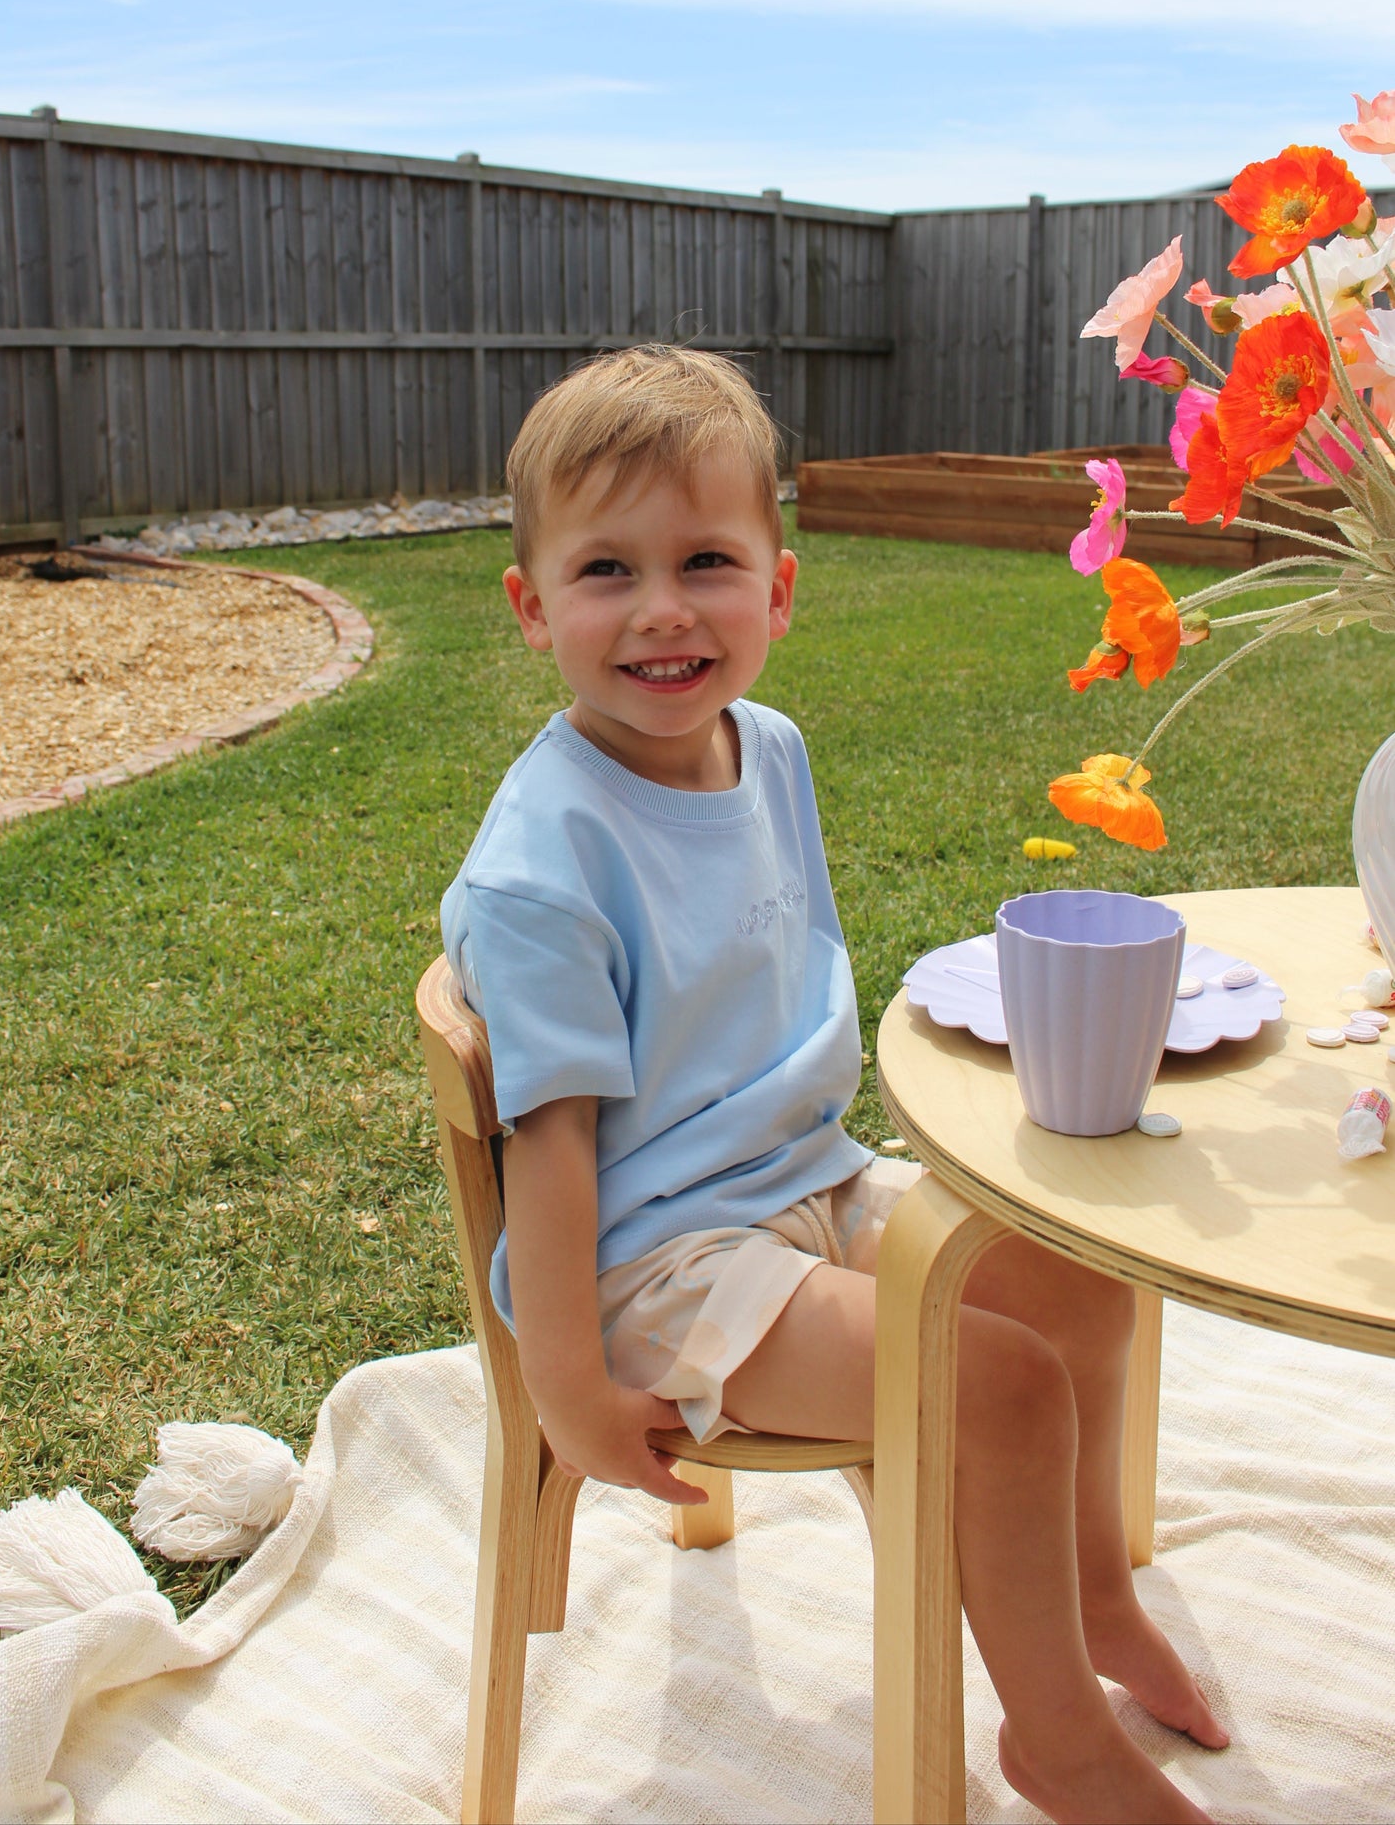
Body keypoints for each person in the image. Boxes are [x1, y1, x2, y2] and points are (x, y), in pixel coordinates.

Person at [440, 345, 1226, 1825]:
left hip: (805, 1178)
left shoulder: (767, 749)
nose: (663, 608)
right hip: (647, 1259)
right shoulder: (544, 873)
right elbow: (546, 1156)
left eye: (706, 562)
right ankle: (1054, 1737)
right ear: (532, 605)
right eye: (607, 569)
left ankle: (1094, 1604)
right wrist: (564, 1384)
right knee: (992, 1383)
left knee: (1084, 1281)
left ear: (779, 592)